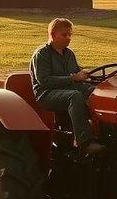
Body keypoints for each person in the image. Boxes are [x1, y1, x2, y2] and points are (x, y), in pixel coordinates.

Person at [29, 18, 105, 156]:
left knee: (97, 92)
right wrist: (73, 77)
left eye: (70, 35)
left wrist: (84, 75)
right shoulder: (42, 54)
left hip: (68, 89)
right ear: (52, 35)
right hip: (46, 94)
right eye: (64, 35)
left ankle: (105, 134)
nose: (68, 38)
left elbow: (76, 74)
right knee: (74, 96)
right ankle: (84, 142)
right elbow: (44, 81)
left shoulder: (69, 54)